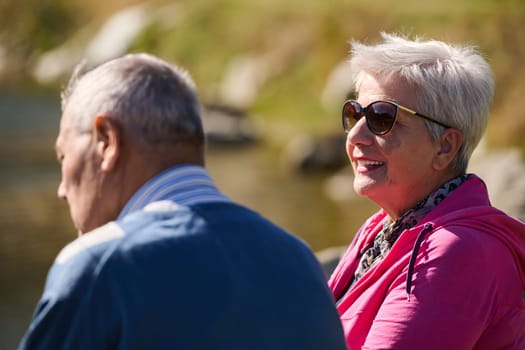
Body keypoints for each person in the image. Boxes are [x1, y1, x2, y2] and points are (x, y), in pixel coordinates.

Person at [18, 53, 347, 350]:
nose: (62, 188)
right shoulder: (298, 259)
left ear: (106, 141)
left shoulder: (99, 267)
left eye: (63, 155)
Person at [329, 32, 525, 349]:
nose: (356, 135)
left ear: (444, 147)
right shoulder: (383, 227)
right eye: (355, 114)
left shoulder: (457, 252)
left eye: (382, 117)